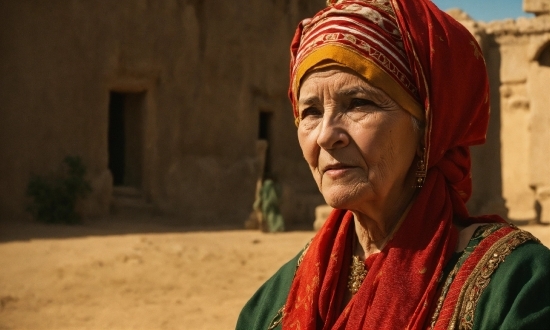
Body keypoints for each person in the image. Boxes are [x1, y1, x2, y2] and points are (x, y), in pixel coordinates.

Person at [237, 0, 550, 329]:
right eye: (311, 112)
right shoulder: (272, 303)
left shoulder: (517, 289)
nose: (326, 136)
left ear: (427, 128)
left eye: (359, 103)